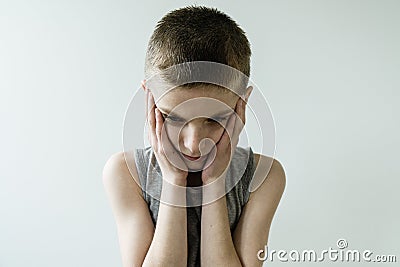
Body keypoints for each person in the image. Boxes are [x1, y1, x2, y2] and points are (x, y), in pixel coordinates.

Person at [103, 5, 286, 267]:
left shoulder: (264, 176)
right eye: (172, 117)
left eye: (214, 120)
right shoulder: (125, 173)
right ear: (149, 99)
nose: (193, 144)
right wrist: (174, 179)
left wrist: (214, 180)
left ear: (240, 104)